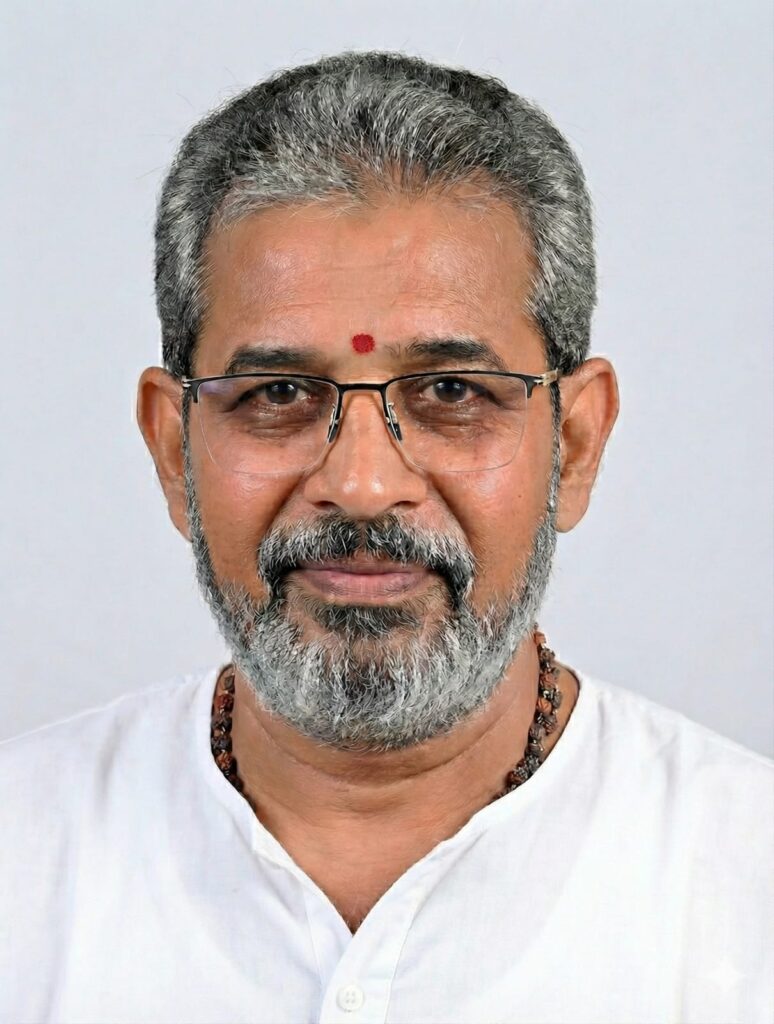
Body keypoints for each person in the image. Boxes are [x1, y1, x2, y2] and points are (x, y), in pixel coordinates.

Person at [1, 51, 771, 1024]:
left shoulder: (744, 894)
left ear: (574, 444)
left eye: (451, 391)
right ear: (173, 452)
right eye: (279, 393)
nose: (362, 484)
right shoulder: (23, 865)